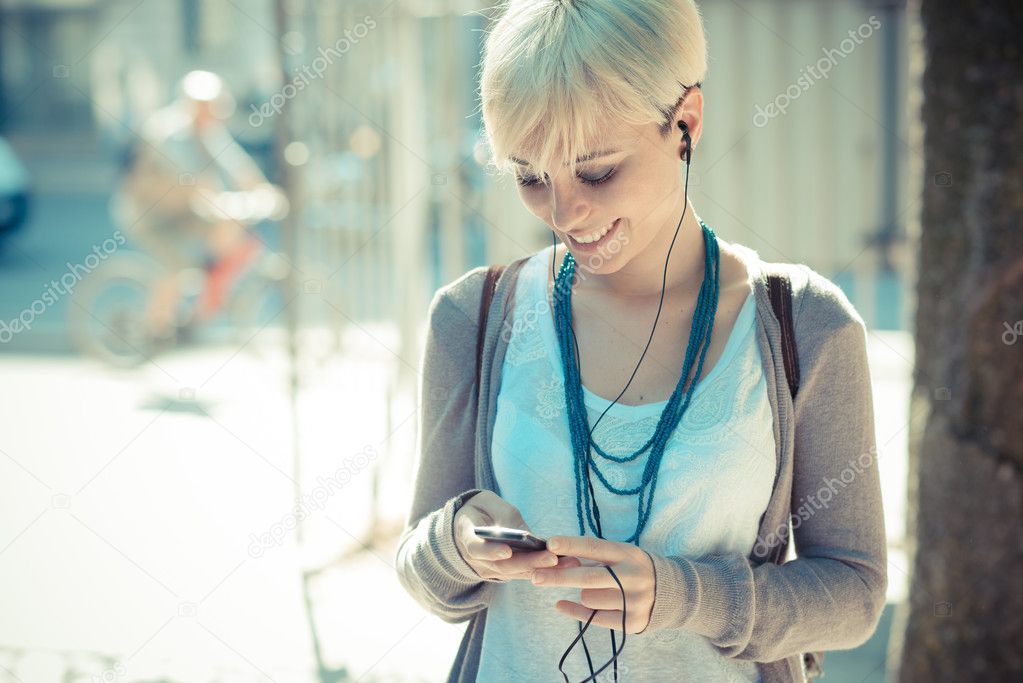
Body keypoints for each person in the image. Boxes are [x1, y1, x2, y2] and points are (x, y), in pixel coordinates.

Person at [395, 2, 887, 682]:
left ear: (685, 121)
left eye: (596, 171)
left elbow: (855, 594)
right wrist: (454, 542)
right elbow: (425, 575)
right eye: (531, 177)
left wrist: (685, 595)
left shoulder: (805, 324)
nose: (565, 213)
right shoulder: (471, 316)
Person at [110, 69, 285, 341]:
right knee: (178, 267)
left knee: (224, 235)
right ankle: (155, 327)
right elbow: (192, 180)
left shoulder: (207, 129)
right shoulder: (170, 133)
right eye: (209, 107)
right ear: (194, 105)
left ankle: (199, 299)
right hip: (150, 215)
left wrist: (264, 190)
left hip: (184, 209)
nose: (215, 113)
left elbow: (237, 166)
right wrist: (224, 202)